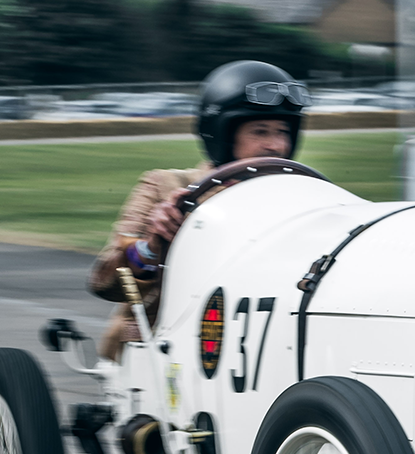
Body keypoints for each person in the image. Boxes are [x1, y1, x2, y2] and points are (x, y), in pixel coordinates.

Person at [88, 59, 309, 360]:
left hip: (265, 347)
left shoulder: (305, 196)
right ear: (222, 134)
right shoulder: (165, 187)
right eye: (260, 132)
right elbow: (105, 284)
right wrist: (152, 247)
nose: (276, 145)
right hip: (161, 352)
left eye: (282, 132)